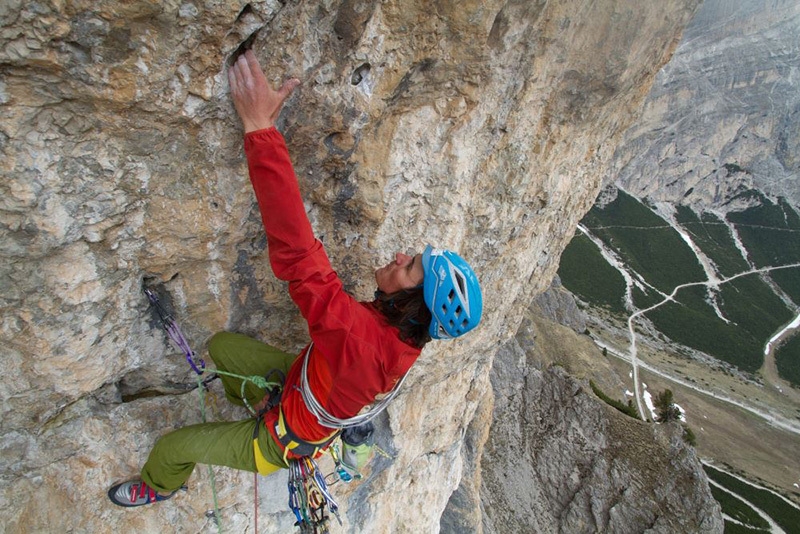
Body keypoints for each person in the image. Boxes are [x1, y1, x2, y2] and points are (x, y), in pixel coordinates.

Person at [107, 50, 483, 507]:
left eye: (409, 268)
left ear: (412, 301)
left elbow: (300, 253)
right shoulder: (403, 336)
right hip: (301, 387)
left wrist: (260, 129)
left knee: (172, 447)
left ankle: (159, 485)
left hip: (280, 441)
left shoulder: (358, 336)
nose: (401, 255)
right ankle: (249, 401)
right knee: (223, 347)